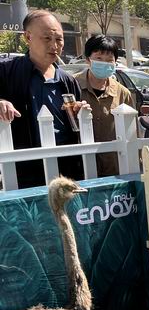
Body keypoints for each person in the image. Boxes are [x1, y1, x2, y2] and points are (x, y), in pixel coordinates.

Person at [0, 10, 88, 188]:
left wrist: (81, 113)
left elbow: (77, 126)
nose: (54, 45)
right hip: (23, 168)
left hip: (66, 166)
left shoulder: (68, 81)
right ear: (28, 37)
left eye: (59, 39)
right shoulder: (6, 72)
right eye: (47, 38)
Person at [75, 34, 134, 176]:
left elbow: (132, 132)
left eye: (109, 60)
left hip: (114, 166)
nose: (104, 63)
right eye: (99, 58)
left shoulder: (123, 93)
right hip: (80, 166)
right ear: (88, 59)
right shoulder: (72, 85)